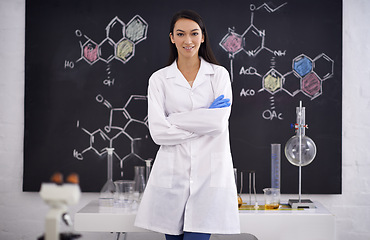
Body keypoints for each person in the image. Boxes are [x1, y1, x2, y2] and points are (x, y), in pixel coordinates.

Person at [135, 9, 240, 240]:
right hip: (172, 178)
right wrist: (203, 120)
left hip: (208, 179)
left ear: (203, 36)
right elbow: (159, 134)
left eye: (194, 33)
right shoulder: (159, 80)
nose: (188, 40)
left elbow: (218, 124)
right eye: (180, 34)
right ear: (172, 37)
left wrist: (173, 120)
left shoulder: (219, 75)